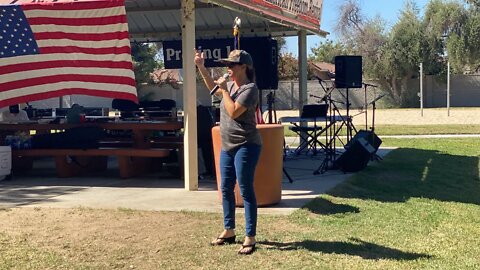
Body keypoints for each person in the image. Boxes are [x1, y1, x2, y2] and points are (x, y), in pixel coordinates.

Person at [194, 49, 262, 255]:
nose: (228, 68)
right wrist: (201, 67)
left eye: (232, 65)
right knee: (225, 188)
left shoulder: (250, 89)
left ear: (244, 67)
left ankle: (250, 236)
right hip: (227, 145)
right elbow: (212, 88)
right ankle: (229, 230)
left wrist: (224, 90)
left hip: (246, 144)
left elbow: (233, 112)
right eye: (227, 65)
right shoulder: (230, 85)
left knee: (245, 189)